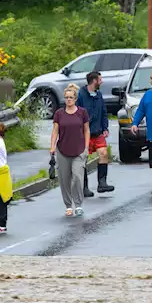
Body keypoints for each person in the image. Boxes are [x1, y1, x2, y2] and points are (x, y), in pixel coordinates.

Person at [50, 83, 90, 217]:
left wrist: (86, 147)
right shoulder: (59, 114)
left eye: (71, 97)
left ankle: (78, 204)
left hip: (79, 150)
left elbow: (86, 130)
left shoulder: (82, 112)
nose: (68, 100)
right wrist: (52, 146)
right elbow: (55, 131)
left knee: (77, 177)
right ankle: (68, 205)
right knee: (64, 179)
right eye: (66, 97)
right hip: (63, 150)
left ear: (75, 98)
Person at [76, 71, 114, 196]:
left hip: (98, 132)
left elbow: (103, 112)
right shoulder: (81, 95)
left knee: (103, 153)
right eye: (100, 79)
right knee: (83, 159)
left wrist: (105, 127)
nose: (101, 81)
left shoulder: (99, 95)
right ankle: (84, 187)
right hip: (84, 134)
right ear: (94, 81)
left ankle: (102, 183)